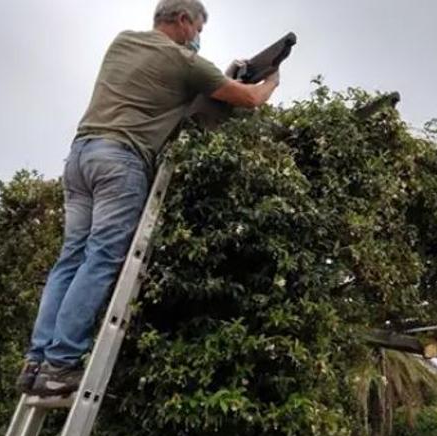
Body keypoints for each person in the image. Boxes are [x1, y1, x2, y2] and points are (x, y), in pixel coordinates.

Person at [18, 0, 280, 396]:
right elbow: (248, 99)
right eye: (197, 29)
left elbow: (169, 91)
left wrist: (221, 77)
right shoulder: (187, 64)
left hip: (81, 157)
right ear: (183, 20)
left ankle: (36, 361)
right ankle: (61, 364)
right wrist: (270, 81)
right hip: (120, 163)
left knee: (71, 257)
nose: (197, 38)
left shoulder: (122, 42)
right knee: (102, 257)